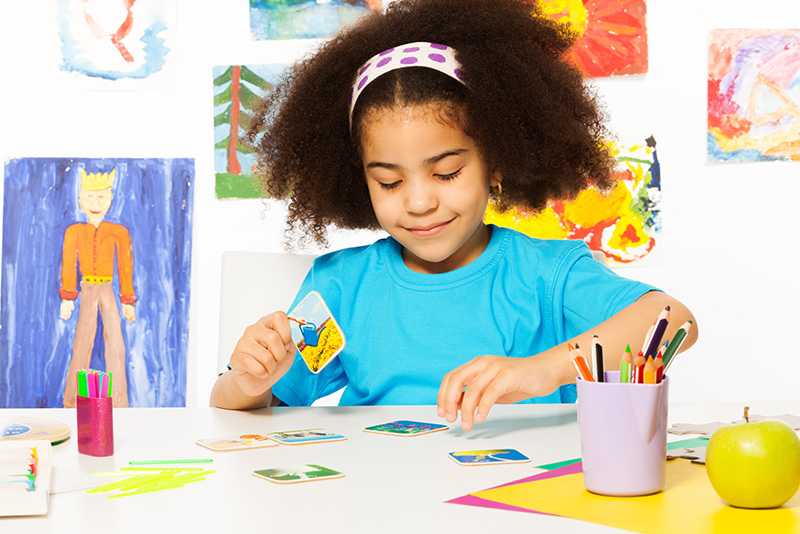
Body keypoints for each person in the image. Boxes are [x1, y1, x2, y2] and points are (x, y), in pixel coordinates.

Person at [210, 0, 697, 430]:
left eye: (446, 173)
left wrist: (542, 370)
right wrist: (248, 381)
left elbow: (673, 321)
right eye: (389, 181)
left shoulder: (547, 274)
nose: (419, 202)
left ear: (496, 163)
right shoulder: (341, 288)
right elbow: (250, 409)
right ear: (360, 180)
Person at [61, 168, 135, 407]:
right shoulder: (74, 232)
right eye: (91, 197)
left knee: (115, 342)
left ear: (110, 199)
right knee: (82, 343)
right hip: (86, 290)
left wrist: (127, 300)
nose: (96, 203)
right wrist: (68, 297)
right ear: (80, 199)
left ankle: (119, 402)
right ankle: (72, 402)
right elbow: (69, 264)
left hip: (108, 290)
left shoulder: (118, 232)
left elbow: (125, 265)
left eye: (102, 197)